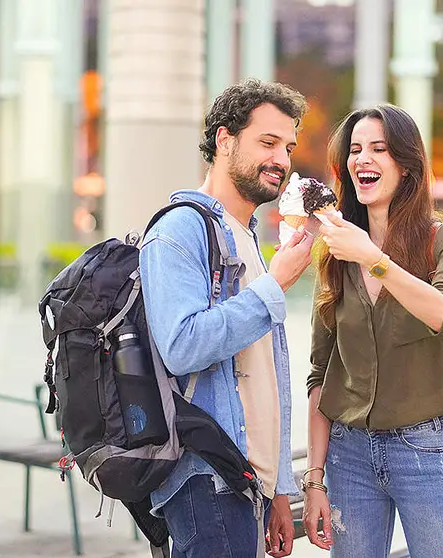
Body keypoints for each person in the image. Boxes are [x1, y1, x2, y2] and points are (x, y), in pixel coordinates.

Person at [139, 79, 313, 557]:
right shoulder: (180, 229)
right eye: (267, 142)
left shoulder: (246, 236)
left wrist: (278, 489)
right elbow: (183, 346)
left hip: (244, 484)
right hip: (205, 480)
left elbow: (265, 377)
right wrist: (272, 289)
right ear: (224, 140)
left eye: (288, 146)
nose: (282, 159)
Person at [302, 104, 443, 557]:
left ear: (406, 164)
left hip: (429, 450)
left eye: (379, 149)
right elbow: (321, 372)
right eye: (356, 150)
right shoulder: (336, 250)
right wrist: (314, 478)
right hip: (348, 455)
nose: (364, 159)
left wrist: (372, 258)